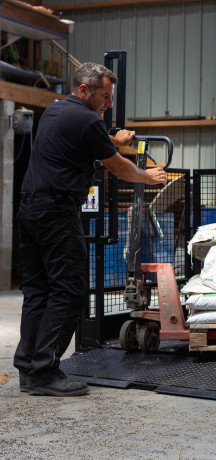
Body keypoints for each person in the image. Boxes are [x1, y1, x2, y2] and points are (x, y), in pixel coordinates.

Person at [13, 62, 167, 396]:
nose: (108, 103)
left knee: (38, 291)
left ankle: (29, 368)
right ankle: (45, 372)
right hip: (56, 212)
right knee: (69, 291)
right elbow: (118, 167)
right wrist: (148, 176)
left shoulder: (56, 111)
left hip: (30, 209)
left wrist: (112, 138)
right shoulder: (86, 119)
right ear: (84, 90)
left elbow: (86, 140)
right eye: (104, 96)